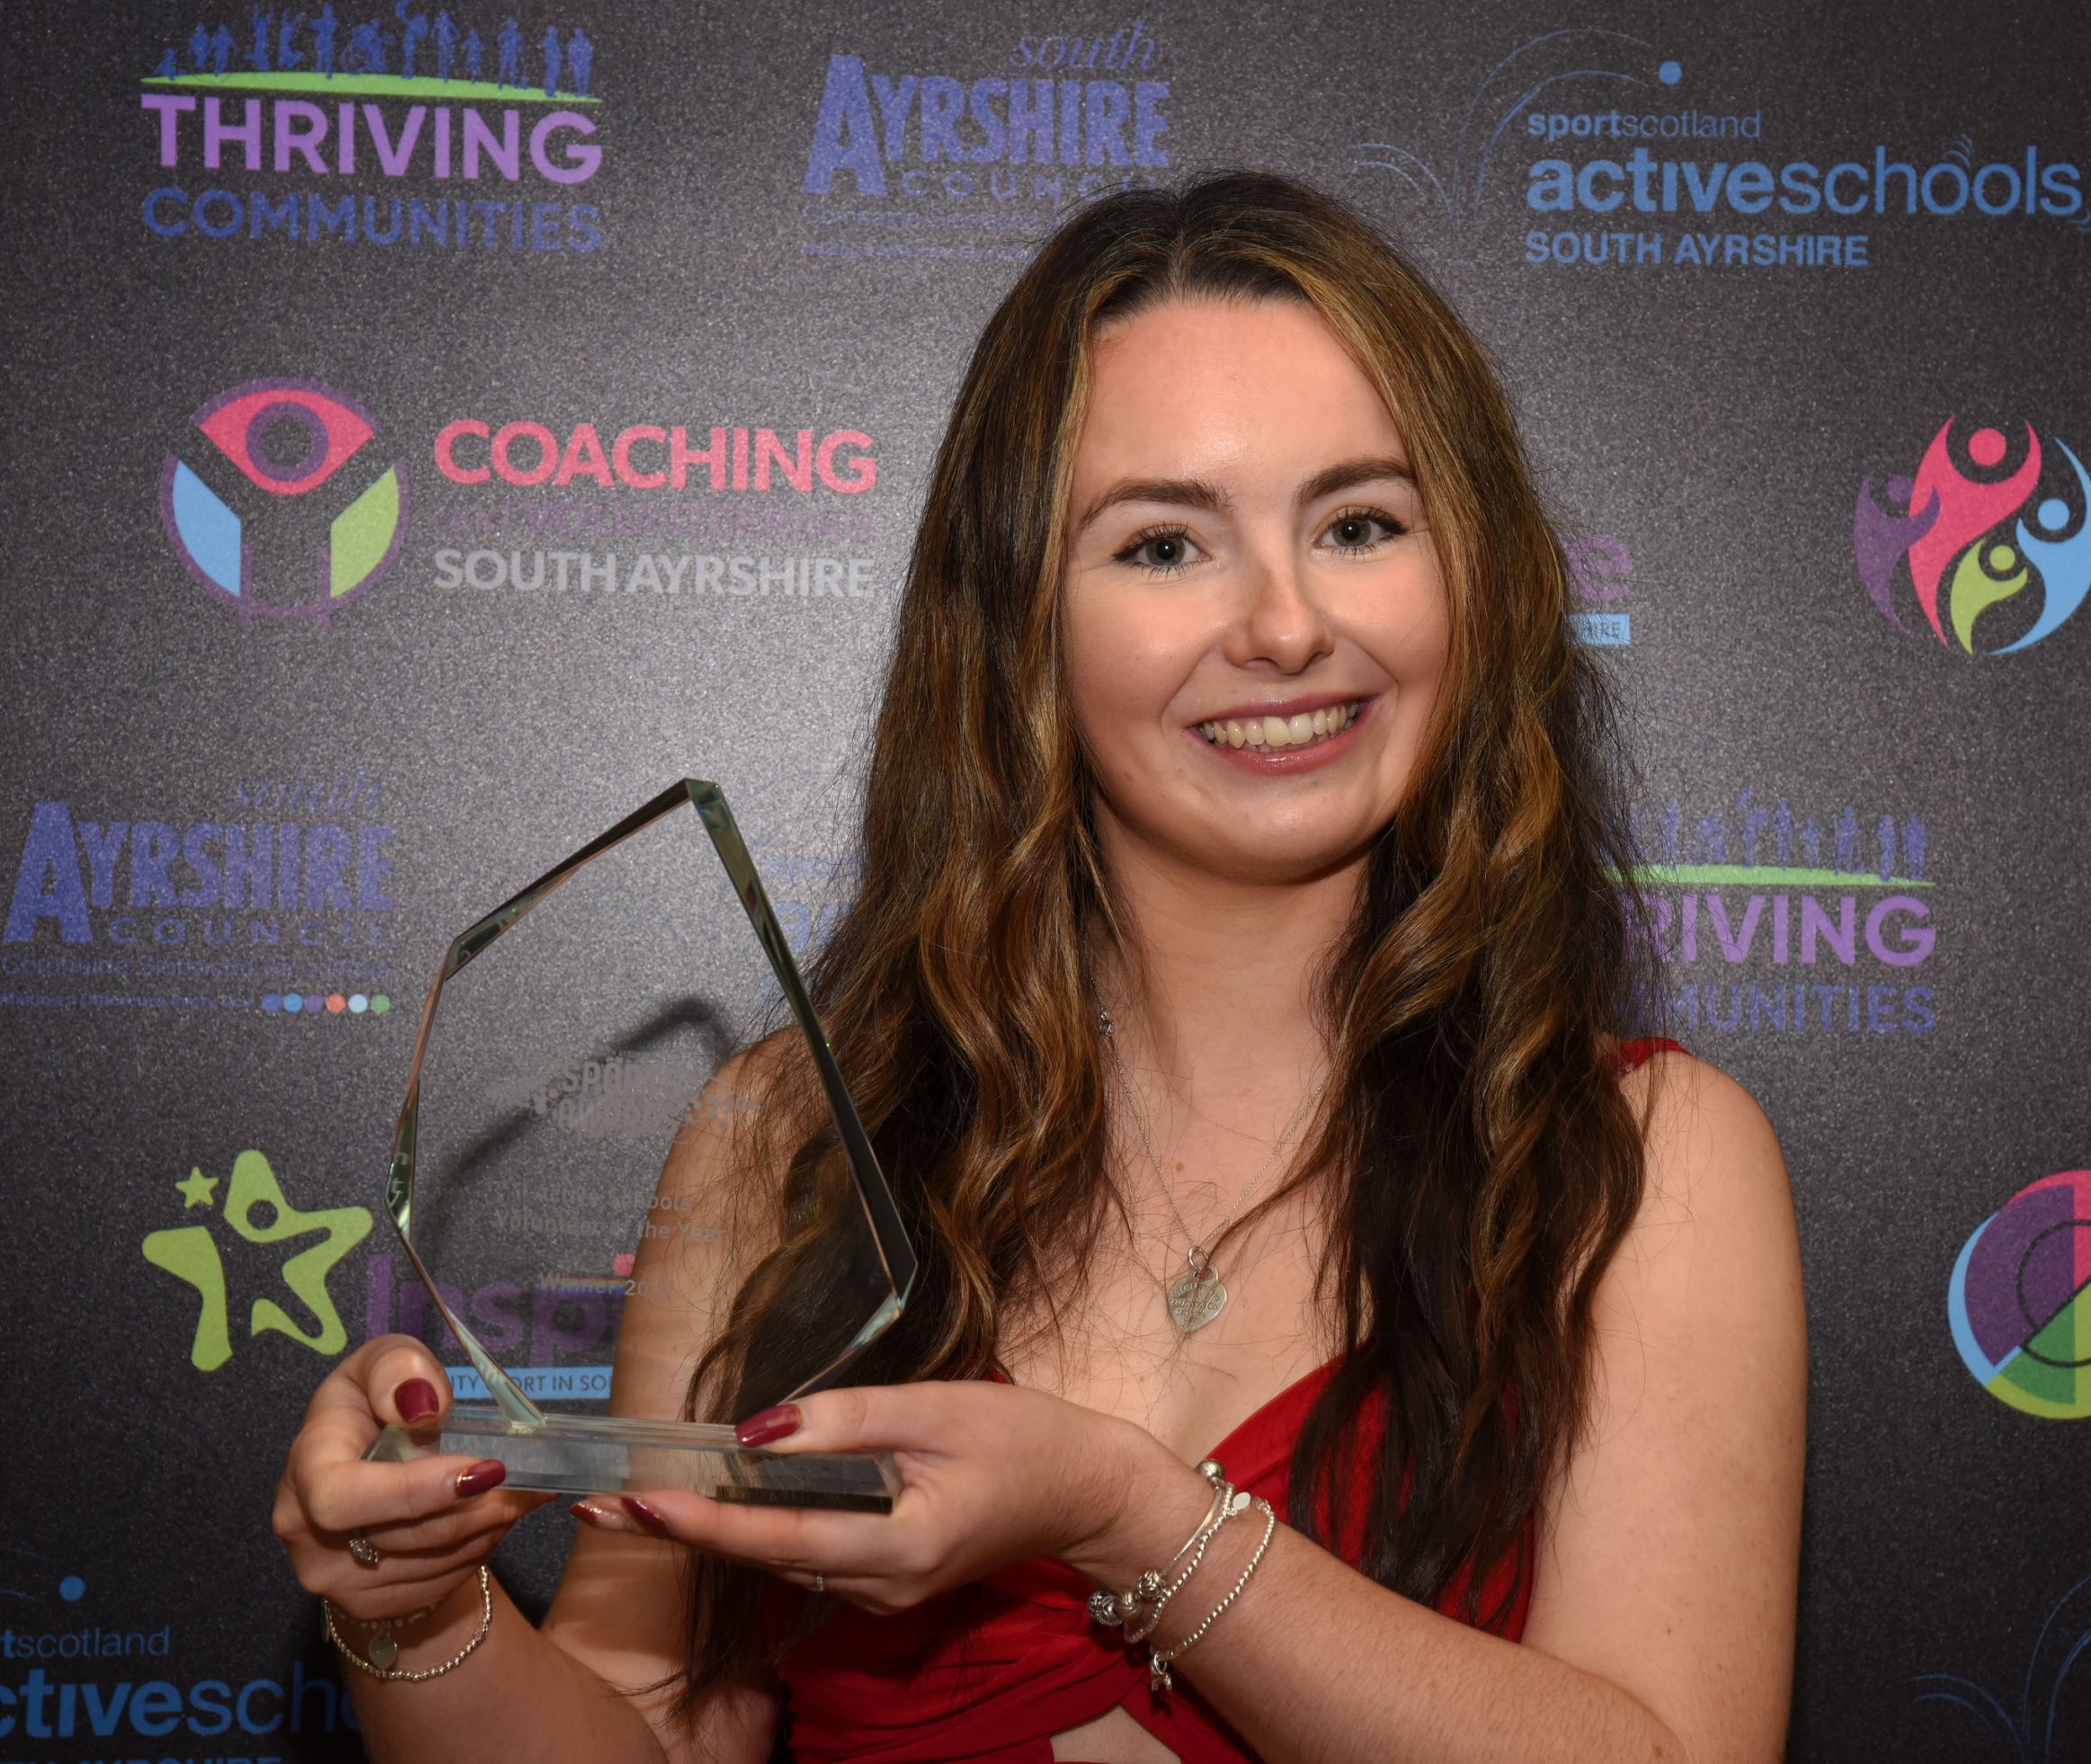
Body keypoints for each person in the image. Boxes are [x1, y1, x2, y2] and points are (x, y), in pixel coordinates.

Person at [272, 171, 1805, 1762]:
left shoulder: (1649, 1161)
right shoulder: (787, 1141)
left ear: (1473, 573)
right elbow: (649, 1733)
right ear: (1020, 627)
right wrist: (415, 1613)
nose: (1285, 625)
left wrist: (1130, 1515)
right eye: (1165, 544)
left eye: (1359, 523)